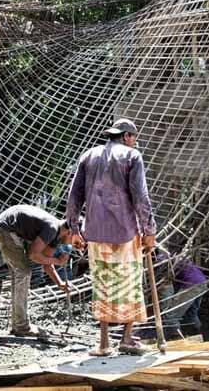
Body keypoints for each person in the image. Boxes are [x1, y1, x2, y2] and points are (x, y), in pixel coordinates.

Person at [66, 117, 156, 356]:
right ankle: (126, 339)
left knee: (103, 284)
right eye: (134, 138)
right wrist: (149, 231)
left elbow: (73, 196)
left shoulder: (88, 156)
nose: (134, 142)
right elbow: (140, 197)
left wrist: (74, 230)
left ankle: (104, 343)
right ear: (126, 136)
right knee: (130, 284)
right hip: (125, 232)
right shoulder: (132, 156)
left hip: (95, 233)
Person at [0, 205, 71, 337]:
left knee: (20, 273)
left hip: (6, 229)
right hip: (4, 228)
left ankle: (18, 324)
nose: (72, 244)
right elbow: (33, 255)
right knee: (23, 272)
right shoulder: (52, 228)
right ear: (70, 231)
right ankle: (21, 326)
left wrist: (60, 283)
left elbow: (47, 264)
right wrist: (58, 261)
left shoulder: (56, 236)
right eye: (77, 237)